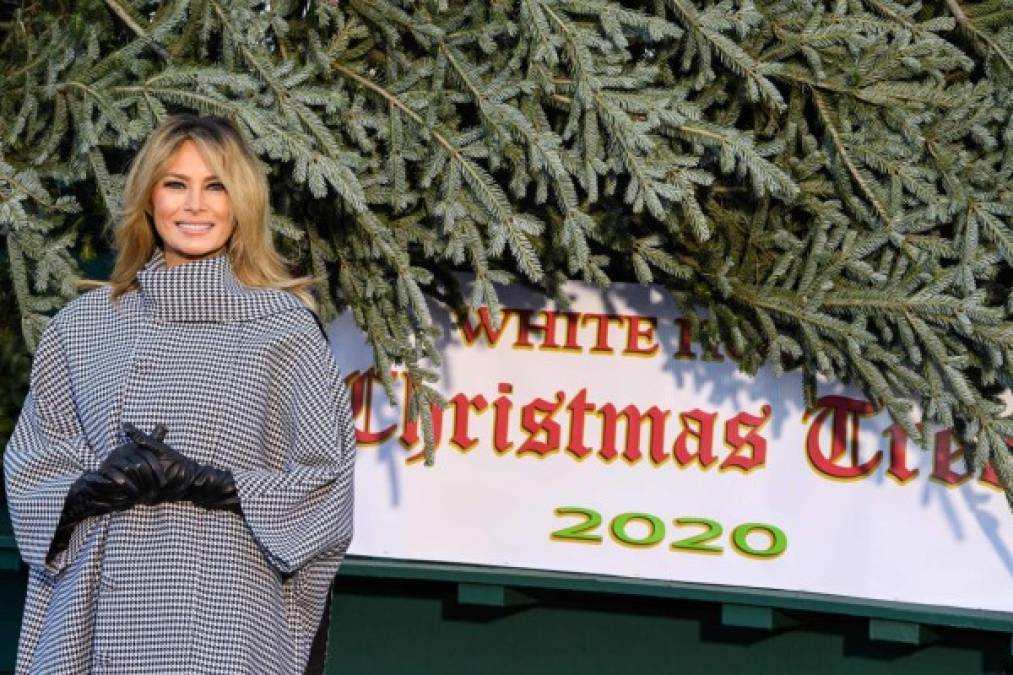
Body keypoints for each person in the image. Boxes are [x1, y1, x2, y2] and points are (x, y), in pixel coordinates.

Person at [3, 114, 356, 674]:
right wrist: (89, 487)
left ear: (242, 202)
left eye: (215, 186)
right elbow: (31, 467)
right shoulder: (85, 325)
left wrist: (214, 484)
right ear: (148, 197)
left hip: (225, 613)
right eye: (176, 184)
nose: (195, 205)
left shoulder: (282, 328)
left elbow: (325, 484)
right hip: (94, 614)